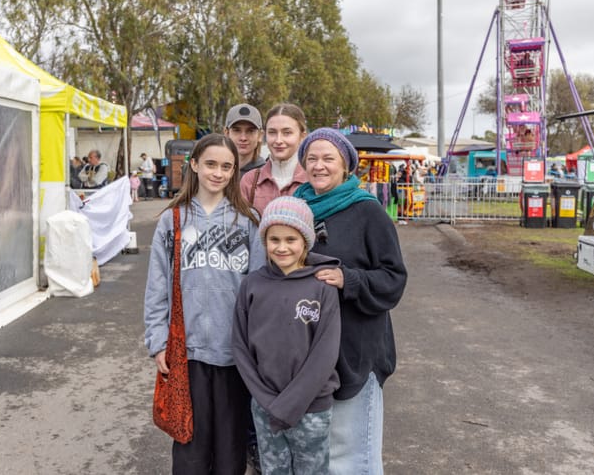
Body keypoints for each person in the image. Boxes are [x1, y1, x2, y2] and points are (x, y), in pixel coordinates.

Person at [144, 133, 265, 474]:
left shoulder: (249, 221)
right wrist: (157, 340)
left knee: (231, 453)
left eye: (227, 166)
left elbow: (258, 290)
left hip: (234, 355)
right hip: (188, 353)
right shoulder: (173, 220)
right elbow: (157, 286)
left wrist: (257, 346)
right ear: (194, 165)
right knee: (190, 450)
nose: (218, 173)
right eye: (210, 164)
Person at [293, 128, 407, 474]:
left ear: (345, 166)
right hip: (311, 353)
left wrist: (349, 279)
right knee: (321, 456)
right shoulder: (297, 209)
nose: (319, 165)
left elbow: (394, 279)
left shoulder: (367, 211)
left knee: (355, 457)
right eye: (311, 158)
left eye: (328, 158)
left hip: (357, 351)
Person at [233, 196, 341, 474]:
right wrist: (266, 400)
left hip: (311, 407)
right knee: (272, 470)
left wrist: (288, 405)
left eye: (291, 240)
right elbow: (241, 347)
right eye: (274, 240)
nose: (282, 248)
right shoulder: (252, 285)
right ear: (265, 241)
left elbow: (324, 354)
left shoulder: (322, 286)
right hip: (265, 405)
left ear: (305, 241)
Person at [241, 103, 309, 214]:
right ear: (264, 135)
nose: (278, 140)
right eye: (272, 132)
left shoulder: (313, 180)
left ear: (302, 136)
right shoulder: (250, 181)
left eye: (287, 133)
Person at [225, 103, 265, 176]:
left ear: (260, 135)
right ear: (227, 133)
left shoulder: (267, 174)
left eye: (250, 131)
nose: (243, 138)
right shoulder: (217, 172)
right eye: (237, 130)